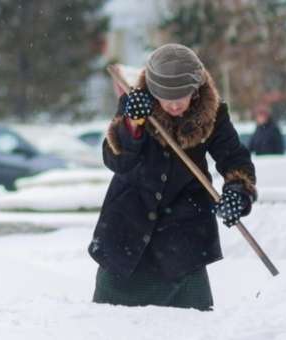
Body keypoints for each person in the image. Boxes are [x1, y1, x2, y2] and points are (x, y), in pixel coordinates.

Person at [88, 43, 257, 311]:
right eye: (167, 97)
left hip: (184, 240)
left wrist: (238, 191)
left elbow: (234, 158)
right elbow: (115, 159)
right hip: (127, 235)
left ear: (196, 89)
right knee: (112, 325)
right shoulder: (134, 105)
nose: (176, 104)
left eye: (183, 95)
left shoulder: (213, 114)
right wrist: (133, 124)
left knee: (193, 327)